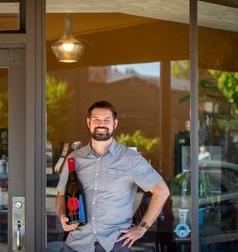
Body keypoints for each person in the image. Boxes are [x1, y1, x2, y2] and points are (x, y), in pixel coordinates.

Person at [56, 101, 170, 252]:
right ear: (88, 123)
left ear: (115, 124)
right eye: (96, 119)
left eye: (106, 120)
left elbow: (162, 191)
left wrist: (142, 228)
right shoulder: (74, 158)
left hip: (115, 245)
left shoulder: (131, 159)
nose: (101, 124)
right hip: (77, 245)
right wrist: (63, 215)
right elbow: (61, 194)